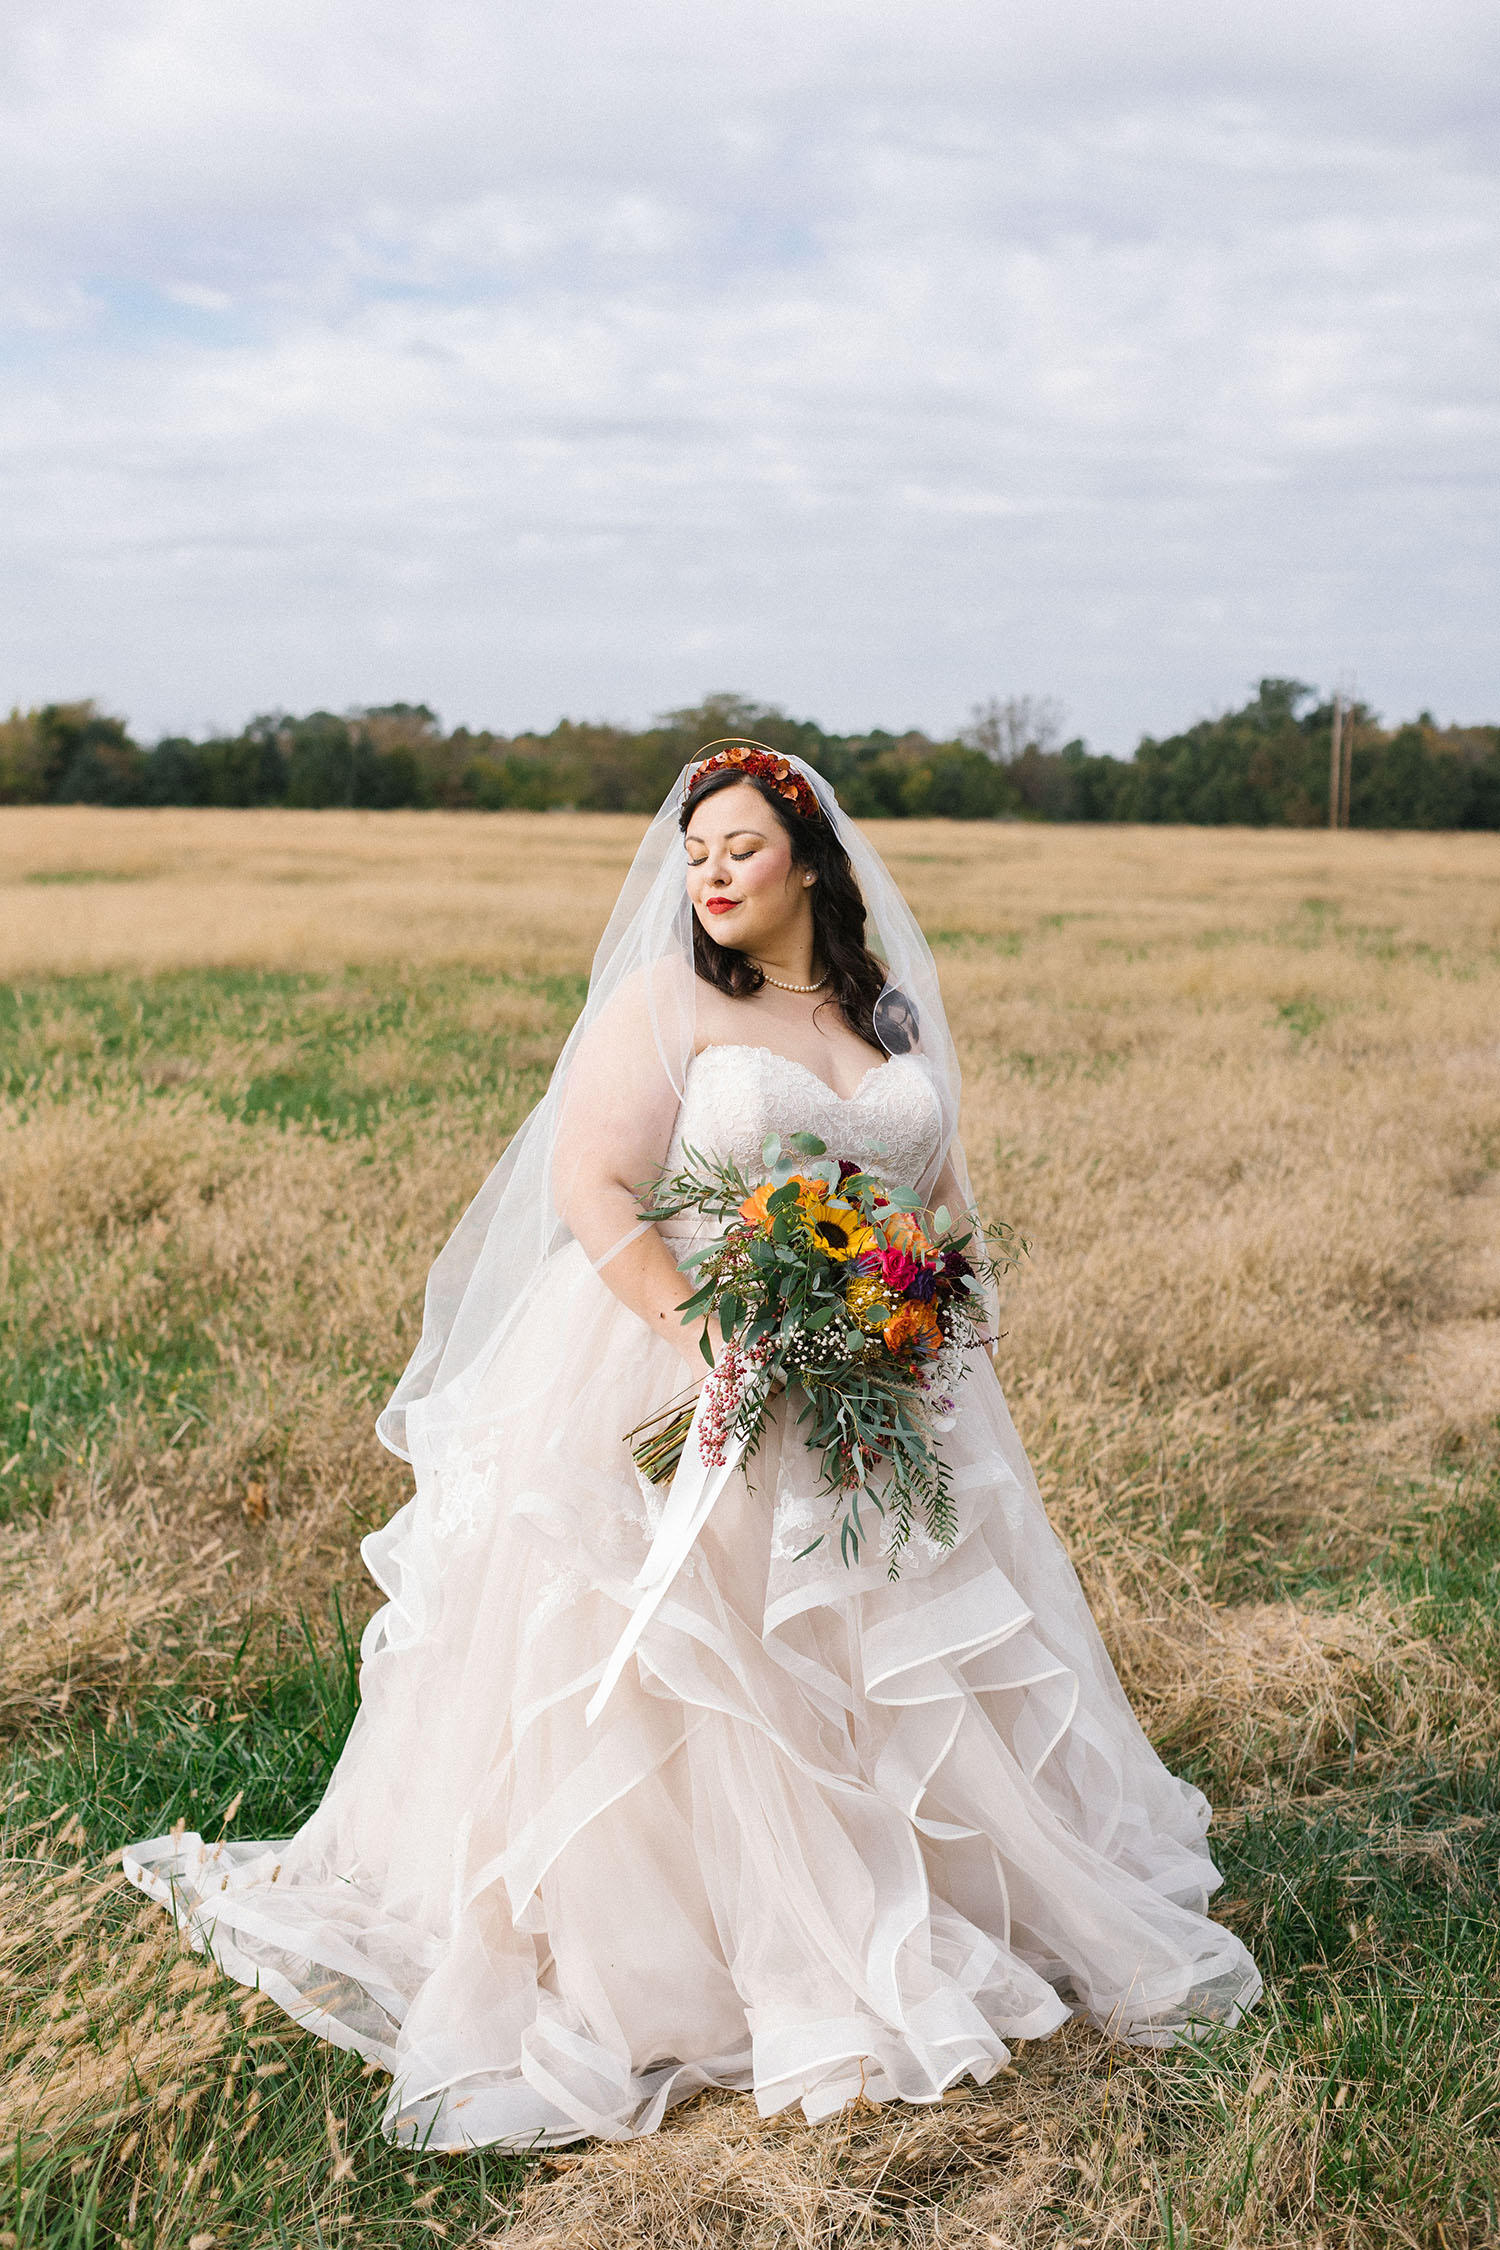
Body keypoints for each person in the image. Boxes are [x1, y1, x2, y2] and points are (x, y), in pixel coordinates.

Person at [125, 744, 1260, 2150]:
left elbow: (937, 1198)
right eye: (696, 854)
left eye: (739, 848)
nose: (712, 874)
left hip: (873, 1384)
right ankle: (699, 1943)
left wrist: (917, 1301)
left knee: (879, 1655)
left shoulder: (882, 1015)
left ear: (813, 864)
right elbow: (592, 1181)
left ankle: (915, 1893)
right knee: (698, 1663)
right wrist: (704, 1336)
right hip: (690, 1353)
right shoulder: (667, 1003)